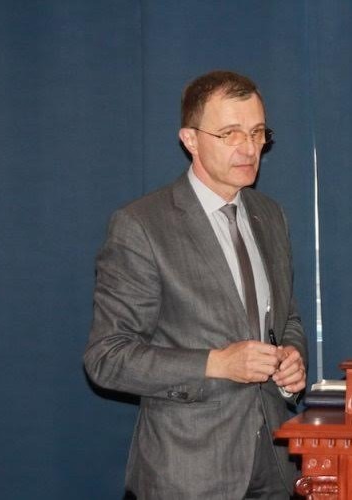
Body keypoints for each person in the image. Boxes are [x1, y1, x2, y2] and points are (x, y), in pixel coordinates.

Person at [84, 70, 307, 500]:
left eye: (258, 132)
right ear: (190, 139)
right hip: (188, 473)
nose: (249, 148)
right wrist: (216, 364)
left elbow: (287, 319)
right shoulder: (141, 226)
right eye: (230, 133)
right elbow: (107, 358)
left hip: (275, 467)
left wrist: (290, 360)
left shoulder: (270, 216)